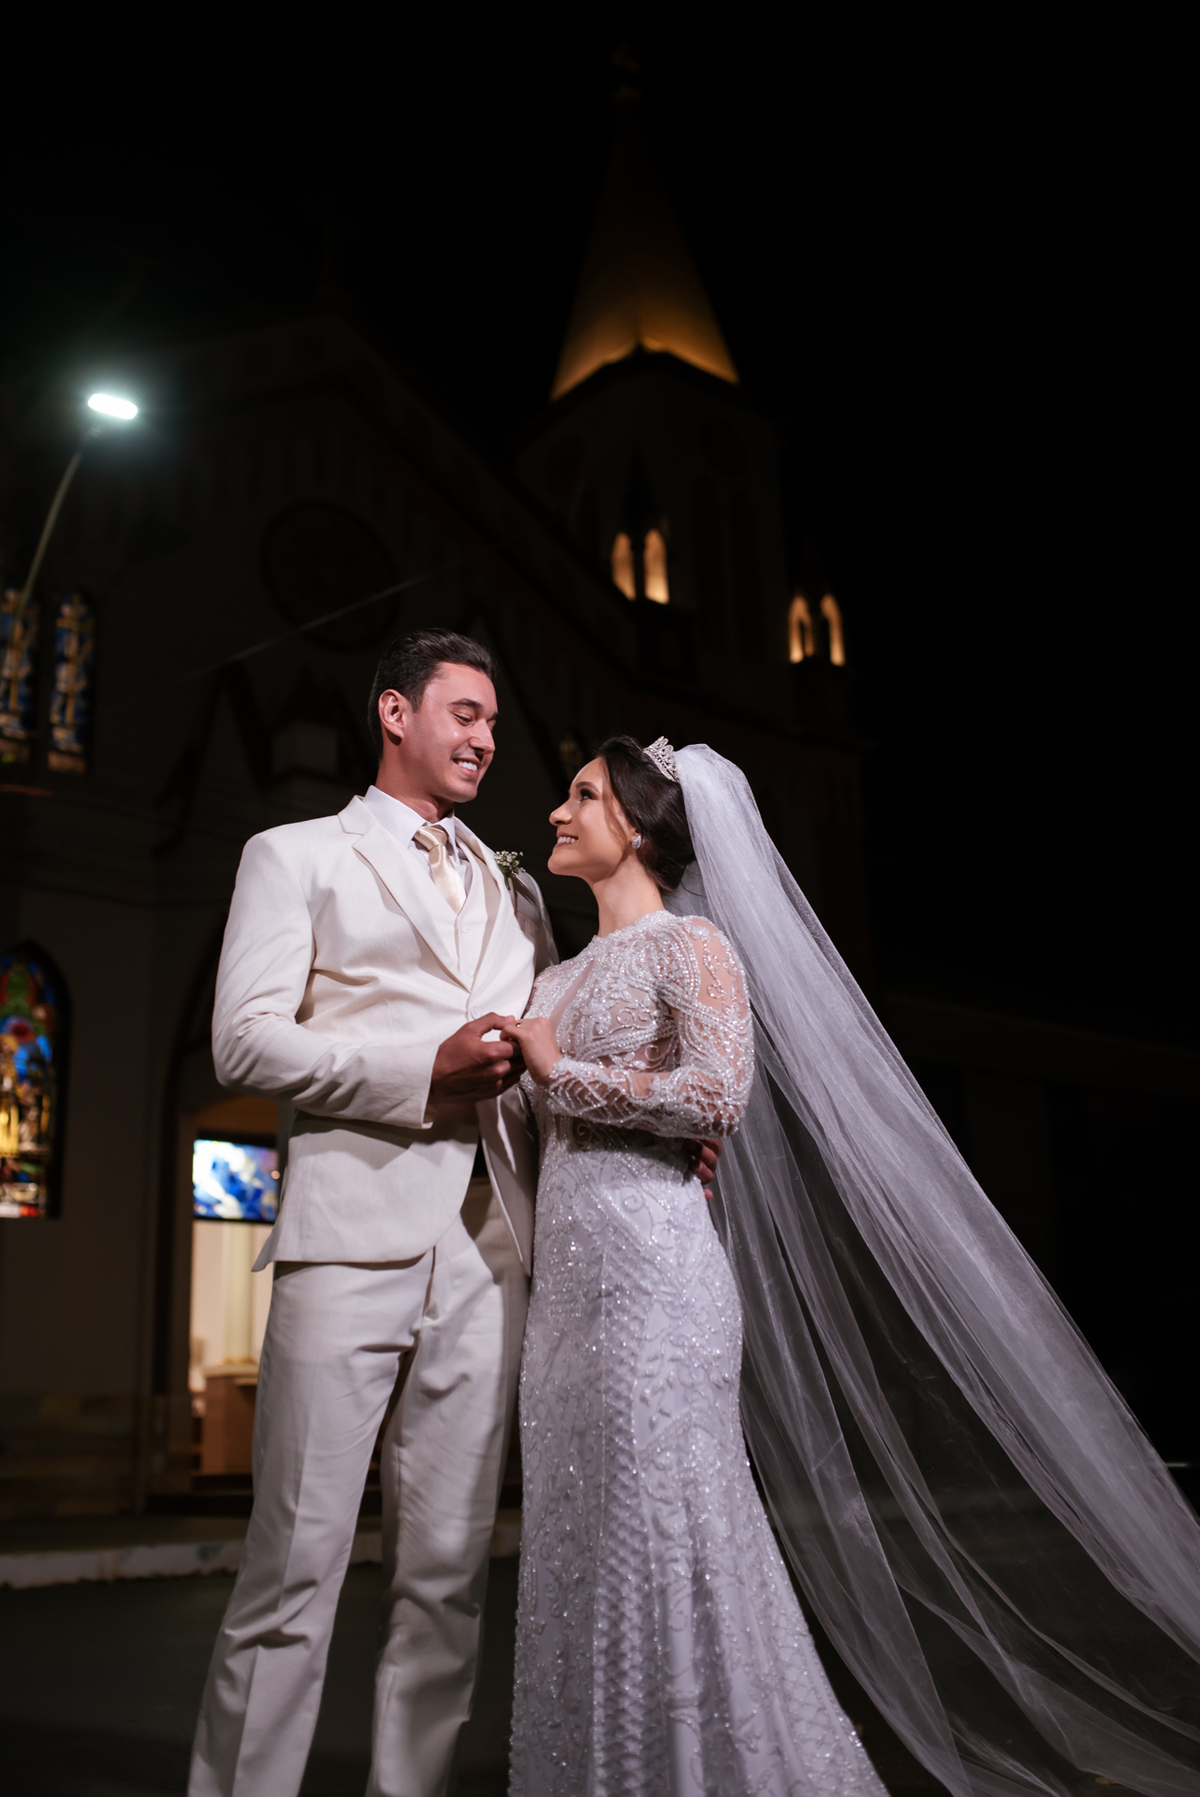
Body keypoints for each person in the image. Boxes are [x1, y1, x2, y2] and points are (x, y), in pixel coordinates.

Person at [503, 735, 1200, 1797]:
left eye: (583, 794)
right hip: (567, 1298)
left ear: (635, 827)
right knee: (578, 1530)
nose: (558, 811)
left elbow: (717, 1094)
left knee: (664, 1522)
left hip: (656, 1281)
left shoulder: (692, 946)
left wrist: (561, 1072)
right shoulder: (552, 974)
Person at [189, 629, 555, 1797]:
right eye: (464, 715)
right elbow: (244, 1040)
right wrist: (418, 1072)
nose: (486, 740)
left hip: (490, 1247)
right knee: (293, 1565)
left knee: (448, 1572)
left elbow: (542, 1057)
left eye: (493, 722)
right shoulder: (296, 855)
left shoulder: (516, 888)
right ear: (394, 713)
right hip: (348, 1239)